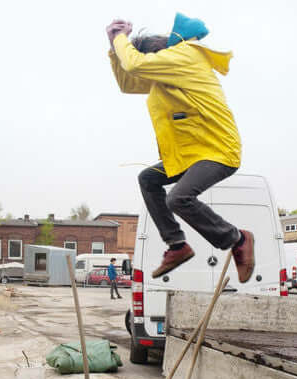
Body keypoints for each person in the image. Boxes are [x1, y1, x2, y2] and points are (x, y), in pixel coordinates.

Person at [106, 13, 255, 282]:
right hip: (193, 154)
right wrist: (113, 49)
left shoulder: (184, 56)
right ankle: (177, 245)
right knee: (149, 178)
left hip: (218, 150)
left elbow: (136, 64)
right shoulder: (168, 73)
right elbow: (128, 82)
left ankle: (238, 238)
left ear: (158, 53)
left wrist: (120, 39)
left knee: (178, 198)